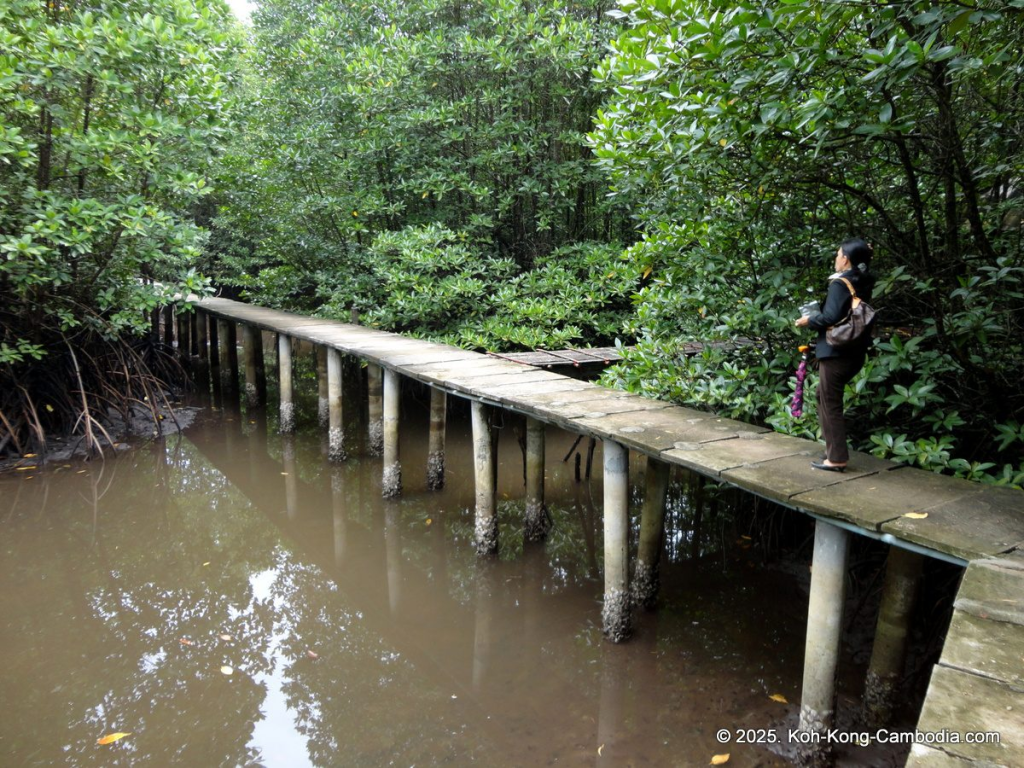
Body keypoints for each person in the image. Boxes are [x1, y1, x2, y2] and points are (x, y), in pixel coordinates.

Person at [794, 238, 875, 472]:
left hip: (836, 353)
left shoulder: (840, 284)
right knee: (822, 396)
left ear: (846, 259)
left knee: (829, 402)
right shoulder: (863, 280)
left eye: (838, 254)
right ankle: (833, 451)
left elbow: (830, 317)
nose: (836, 258)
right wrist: (865, 254)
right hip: (855, 351)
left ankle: (837, 458)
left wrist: (809, 320)